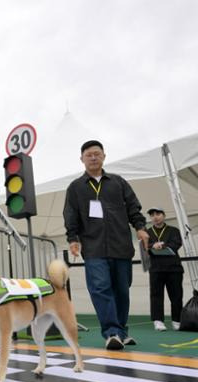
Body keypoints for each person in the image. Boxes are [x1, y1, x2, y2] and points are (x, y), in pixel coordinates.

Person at [63, 140, 149, 351]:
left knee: (122, 290)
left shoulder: (118, 182)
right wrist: (73, 239)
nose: (93, 157)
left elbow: (133, 207)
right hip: (93, 248)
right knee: (101, 288)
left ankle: (121, 331)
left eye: (97, 154)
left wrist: (139, 226)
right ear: (82, 159)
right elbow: (70, 214)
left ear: (104, 156)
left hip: (121, 245)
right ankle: (111, 332)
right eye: (89, 155)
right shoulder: (75, 188)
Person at [146, 207, 184, 331]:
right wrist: (152, 245)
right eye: (152, 215)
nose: (155, 217)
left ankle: (177, 320)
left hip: (174, 268)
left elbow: (176, 243)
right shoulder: (148, 232)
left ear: (164, 215)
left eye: (158, 214)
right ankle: (158, 321)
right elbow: (145, 246)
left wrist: (162, 245)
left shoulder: (173, 230)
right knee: (156, 295)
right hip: (156, 268)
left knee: (176, 295)